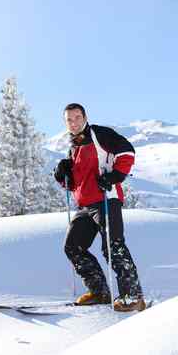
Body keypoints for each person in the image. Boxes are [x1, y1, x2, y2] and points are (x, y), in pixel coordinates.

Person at [54, 103, 145, 312]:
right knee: (73, 247)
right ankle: (100, 292)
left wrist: (114, 176)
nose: (74, 123)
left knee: (113, 247)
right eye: (69, 120)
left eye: (77, 118)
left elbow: (127, 151)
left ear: (85, 117)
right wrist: (63, 176)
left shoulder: (99, 134)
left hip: (106, 199)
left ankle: (133, 296)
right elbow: (76, 181)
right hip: (85, 205)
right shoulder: (74, 146)